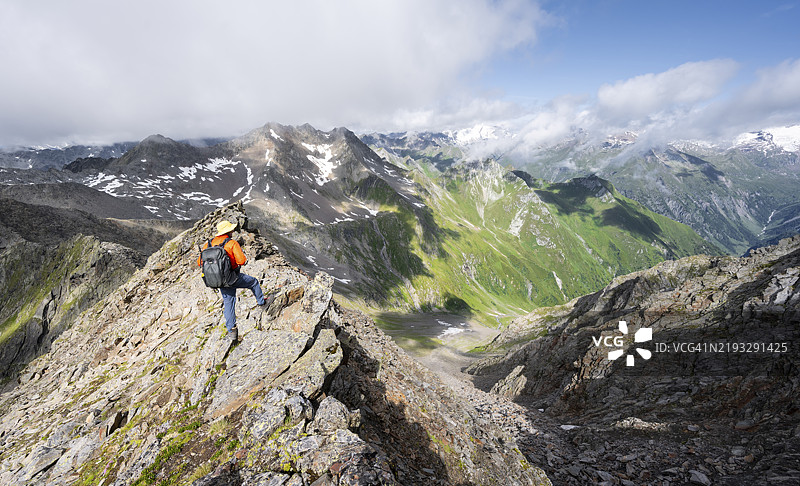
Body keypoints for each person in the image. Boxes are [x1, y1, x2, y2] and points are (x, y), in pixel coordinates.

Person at [197, 220, 269, 341]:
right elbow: (241, 261)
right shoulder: (231, 243)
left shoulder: (208, 244)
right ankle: (262, 303)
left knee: (228, 302)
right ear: (228, 231)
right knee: (253, 282)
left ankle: (232, 331)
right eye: (231, 229)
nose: (233, 231)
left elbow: (200, 262)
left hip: (217, 279)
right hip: (232, 277)